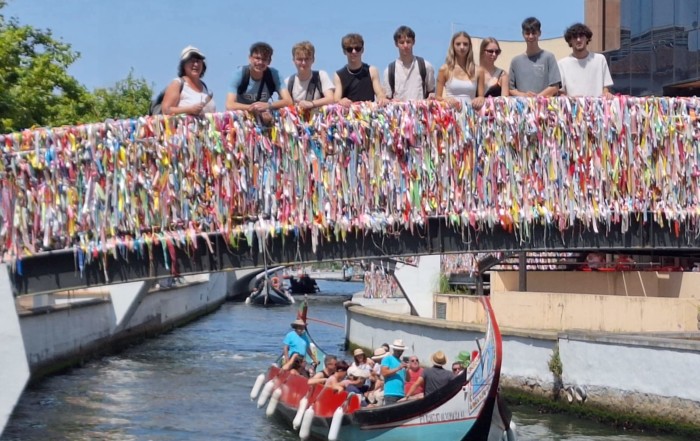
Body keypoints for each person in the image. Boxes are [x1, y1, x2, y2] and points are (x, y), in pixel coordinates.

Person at [225, 42, 293, 123]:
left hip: (264, 118)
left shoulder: (274, 75)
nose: (260, 62)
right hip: (242, 120)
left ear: (269, 61)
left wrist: (268, 106)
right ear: (250, 58)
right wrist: (253, 108)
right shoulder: (240, 74)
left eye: (264, 59)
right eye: (257, 58)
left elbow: (288, 101)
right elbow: (229, 105)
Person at [557, 23, 613, 98]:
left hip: (597, 105)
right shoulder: (562, 64)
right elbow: (561, 92)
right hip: (573, 105)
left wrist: (606, 94)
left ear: (587, 38)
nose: (578, 40)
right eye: (575, 37)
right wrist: (571, 99)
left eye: (581, 36)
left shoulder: (600, 59)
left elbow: (606, 87)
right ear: (570, 41)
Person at [509, 17, 561, 97]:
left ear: (539, 33)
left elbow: (555, 86)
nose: (531, 36)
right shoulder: (515, 61)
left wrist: (536, 99)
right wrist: (524, 96)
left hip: (545, 104)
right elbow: (510, 89)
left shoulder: (549, 57)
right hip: (522, 105)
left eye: (534, 33)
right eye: (527, 33)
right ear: (523, 34)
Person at [382, 25, 436, 100]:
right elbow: (387, 98)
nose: (405, 45)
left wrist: (432, 96)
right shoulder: (389, 71)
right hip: (398, 108)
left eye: (408, 42)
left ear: (414, 42)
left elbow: (431, 91)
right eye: (402, 42)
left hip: (420, 107)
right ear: (396, 44)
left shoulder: (425, 66)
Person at [161, 46, 216, 115]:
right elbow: (166, 110)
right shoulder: (177, 84)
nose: (196, 64)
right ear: (184, 65)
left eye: (198, 61)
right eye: (192, 61)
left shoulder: (204, 86)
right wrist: (189, 110)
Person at [334, 33, 386, 105]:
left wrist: (381, 98)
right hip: (349, 110)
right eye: (349, 49)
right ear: (344, 51)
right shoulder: (339, 75)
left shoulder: (372, 71)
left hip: (368, 110)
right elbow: (336, 98)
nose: (354, 52)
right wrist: (341, 101)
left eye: (357, 48)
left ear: (362, 50)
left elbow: (379, 93)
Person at [437, 31, 482, 108]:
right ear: (453, 46)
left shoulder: (479, 70)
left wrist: (480, 99)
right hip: (450, 113)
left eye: (465, 44)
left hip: (471, 113)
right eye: (458, 44)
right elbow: (437, 97)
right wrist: (446, 99)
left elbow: (481, 97)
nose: (462, 47)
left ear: (470, 46)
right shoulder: (444, 69)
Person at [286, 41, 335, 110]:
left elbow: (330, 99)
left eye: (307, 59)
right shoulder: (287, 82)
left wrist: (311, 104)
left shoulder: (321, 76)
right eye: (300, 59)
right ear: (293, 60)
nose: (303, 63)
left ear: (313, 60)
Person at [380, 339, 407, 404]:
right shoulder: (387, 358)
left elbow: (407, 379)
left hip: (401, 394)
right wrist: (398, 368)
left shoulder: (401, 362)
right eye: (398, 350)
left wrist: (407, 369)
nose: (400, 352)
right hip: (391, 393)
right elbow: (384, 373)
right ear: (394, 349)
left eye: (401, 350)